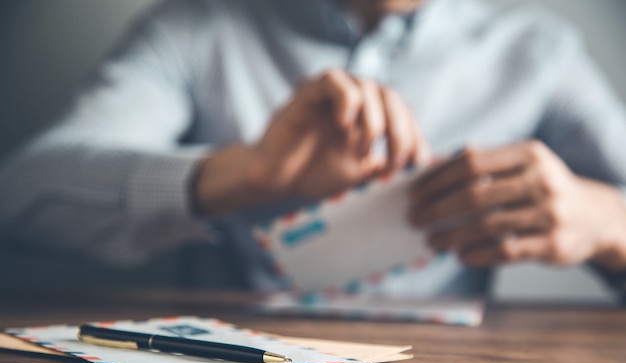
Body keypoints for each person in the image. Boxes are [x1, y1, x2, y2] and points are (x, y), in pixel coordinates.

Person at [1, 0, 625, 298]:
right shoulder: (196, 29)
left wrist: (604, 220)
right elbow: (19, 197)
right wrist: (243, 174)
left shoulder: (540, 55)